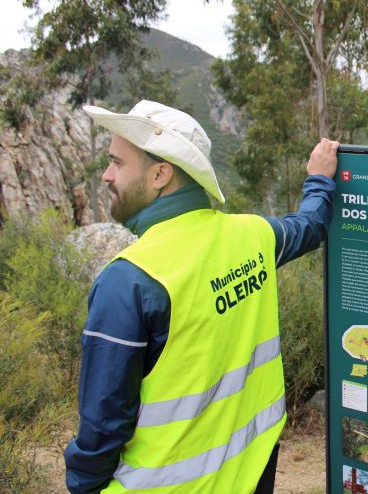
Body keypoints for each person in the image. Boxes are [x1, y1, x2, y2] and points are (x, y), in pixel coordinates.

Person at [63, 100, 339, 493]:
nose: (107, 176)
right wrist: (319, 178)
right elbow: (309, 225)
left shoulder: (128, 281)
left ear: (160, 174)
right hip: (252, 468)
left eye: (117, 163)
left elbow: (102, 427)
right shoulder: (252, 236)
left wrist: (83, 486)